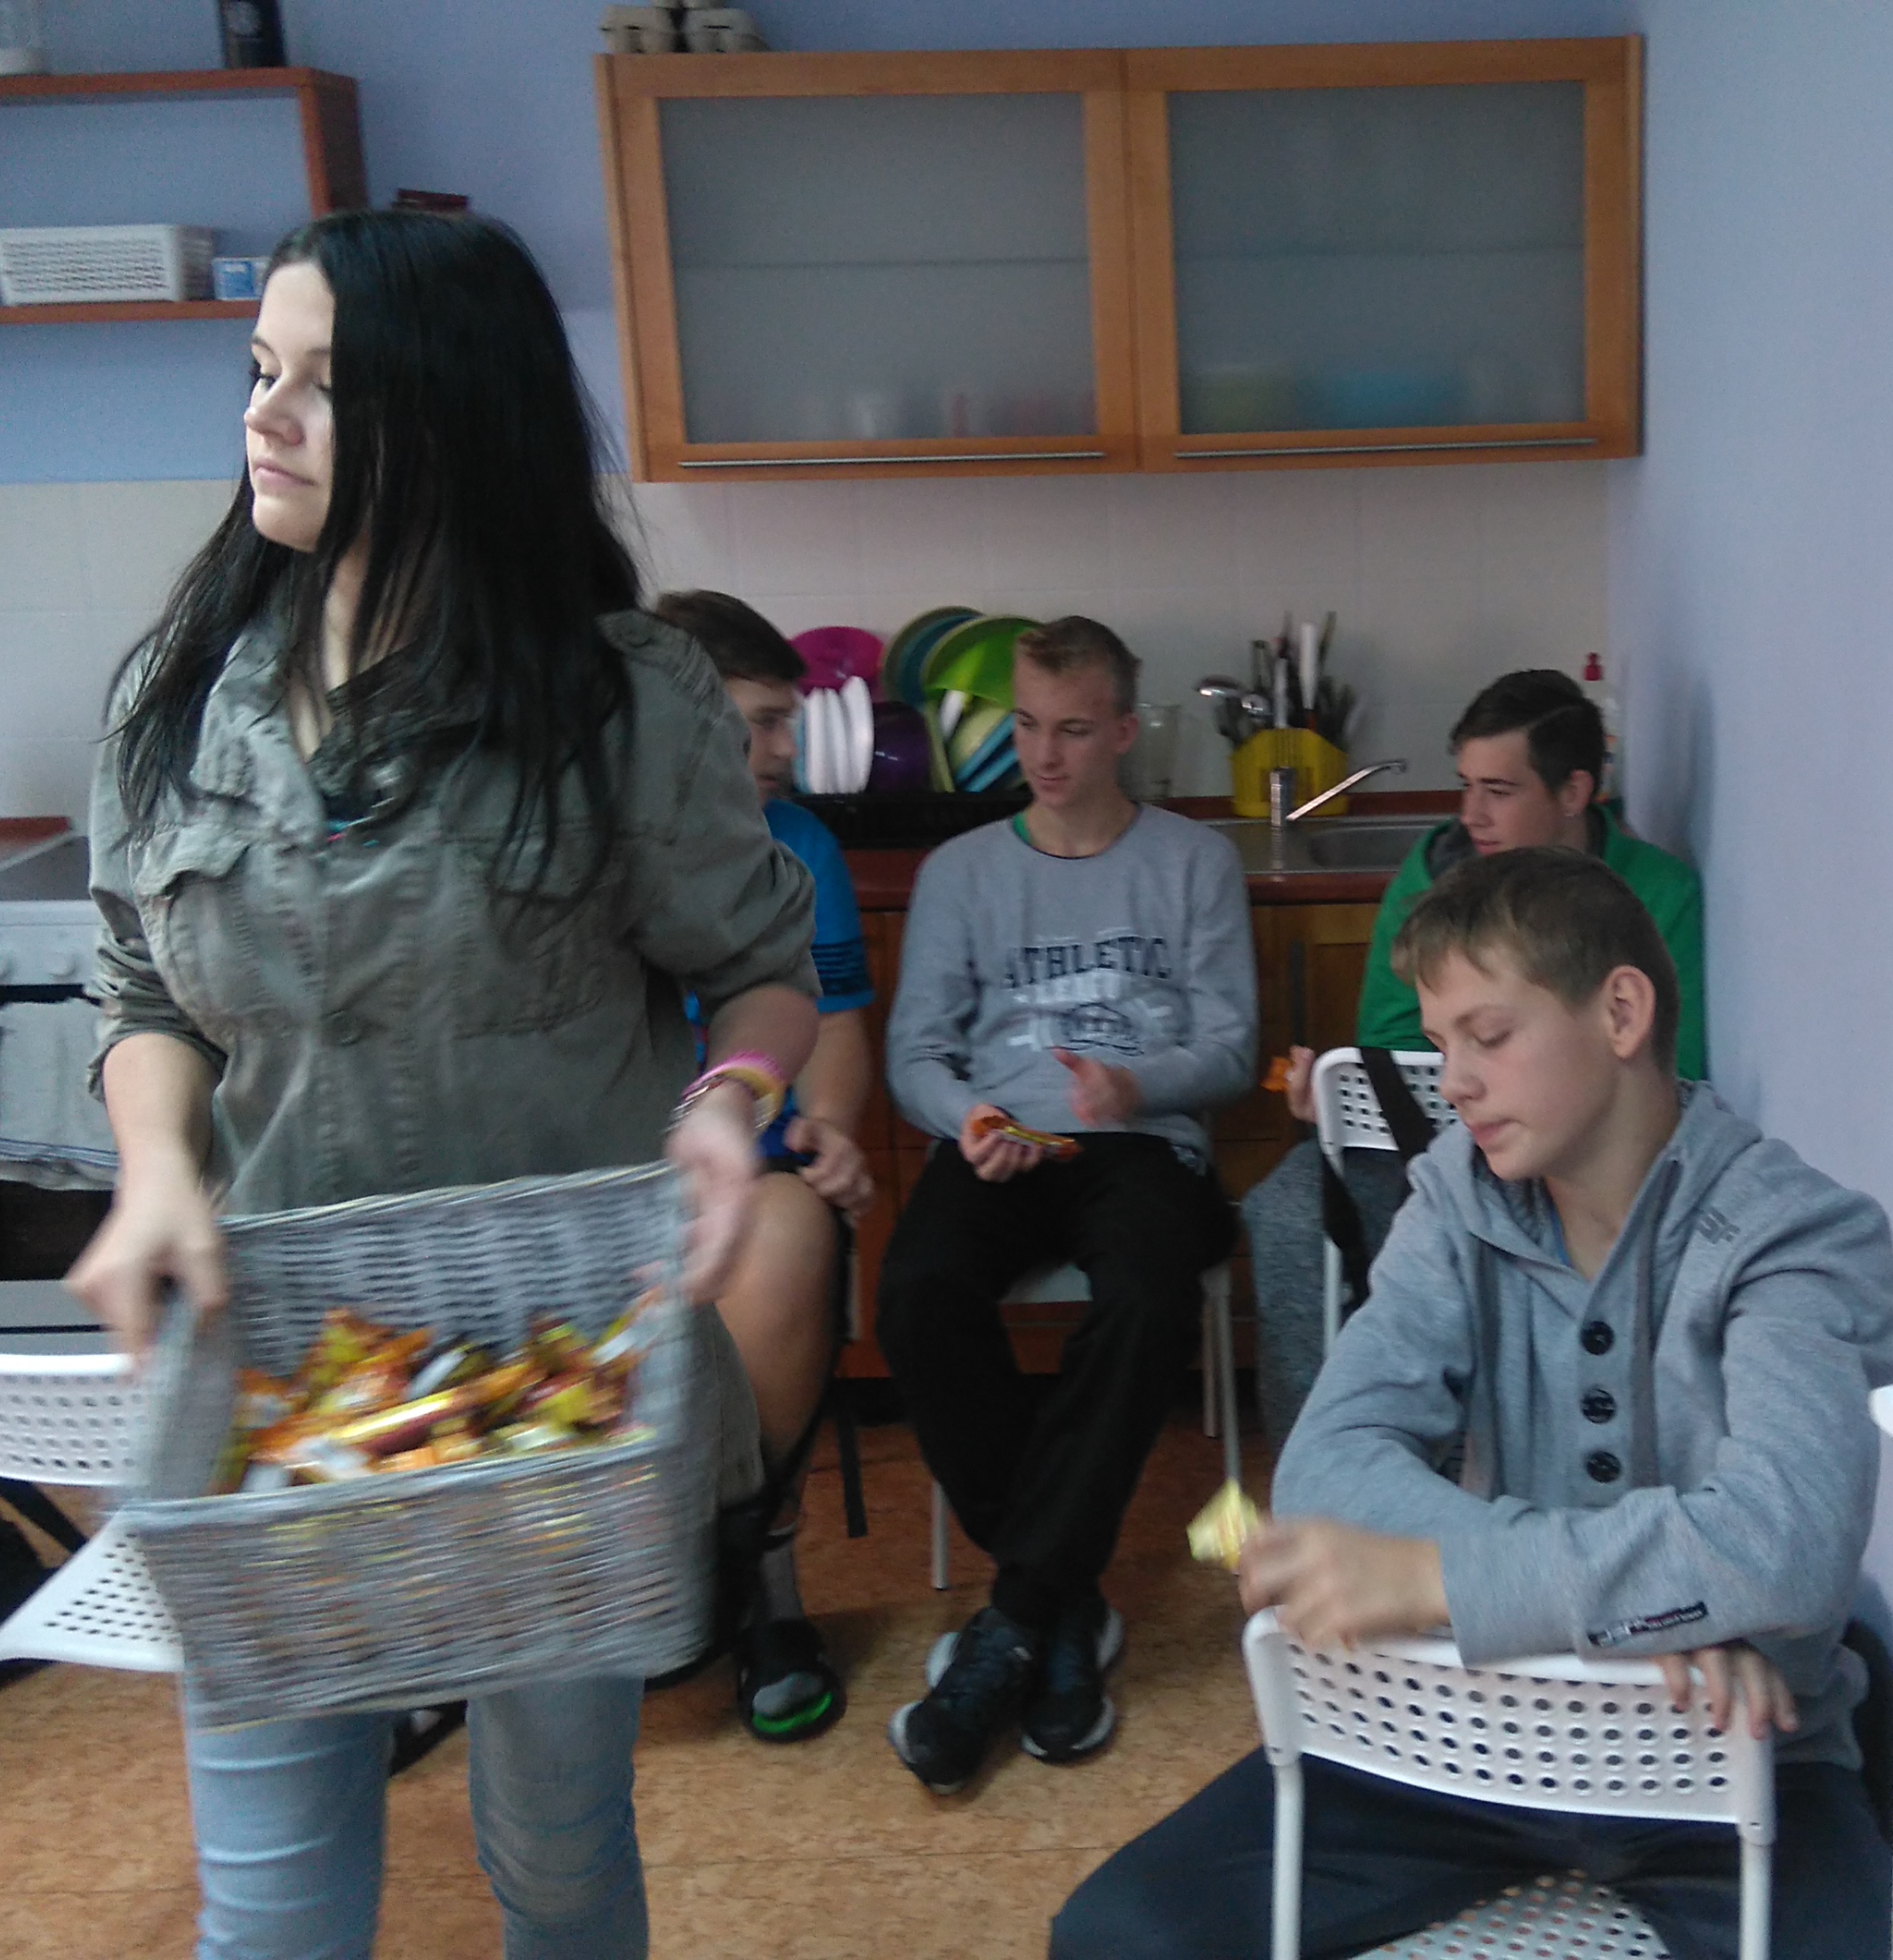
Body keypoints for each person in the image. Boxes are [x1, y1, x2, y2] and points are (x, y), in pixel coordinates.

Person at [68, 209, 820, 1960]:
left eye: (324, 385)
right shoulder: (178, 698)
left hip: (547, 1371)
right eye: (260, 370)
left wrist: (726, 1102)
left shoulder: (620, 700)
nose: (263, 415)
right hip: (280, 1364)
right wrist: (156, 1162)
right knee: (270, 1902)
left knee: (554, 1857)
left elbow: (762, 968)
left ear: (457, 415)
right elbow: (139, 986)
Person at [1051, 847, 1893, 1960]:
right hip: (1458, 1731)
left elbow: (1782, 1546)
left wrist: (1433, 1578)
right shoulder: (1456, 1196)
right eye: (1440, 1040)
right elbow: (1323, 1468)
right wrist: (1662, 1606)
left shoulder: (1793, 1233)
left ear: (1620, 1012)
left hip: (1734, 1745)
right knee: (1115, 1933)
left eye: (1486, 1035)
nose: (1450, 1080)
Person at [876, 617, 1254, 1795]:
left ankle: (1015, 1622)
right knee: (918, 1292)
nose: (1044, 754)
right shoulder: (960, 872)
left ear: (1126, 731)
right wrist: (967, 1117)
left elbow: (1232, 1045)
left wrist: (1139, 1084)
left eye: (1074, 729)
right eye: (1029, 727)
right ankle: (1060, 1604)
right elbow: (915, 1053)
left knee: (1145, 1295)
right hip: (999, 1141)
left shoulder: (1192, 860)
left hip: (1140, 1141)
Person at [1247, 669, 1709, 1446]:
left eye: (1499, 790)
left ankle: (1467, 1460)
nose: (1472, 814)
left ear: (1575, 792)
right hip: (1427, 1143)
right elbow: (1387, 1039)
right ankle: (1328, 1455)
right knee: (1288, 1209)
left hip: (1578, 1157)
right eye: (1466, 786)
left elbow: (1677, 1066)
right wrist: (1338, 1091)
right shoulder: (1437, 873)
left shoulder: (1655, 894)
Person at [647, 586, 878, 1743]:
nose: (784, 749)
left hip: (756, 1162)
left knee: (787, 1241)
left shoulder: (803, 846)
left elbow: (832, 1021)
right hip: (615, 1174)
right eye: (761, 724)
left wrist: (830, 1122)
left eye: (787, 720)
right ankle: (638, 1571)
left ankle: (758, 1572)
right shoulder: (600, 839)